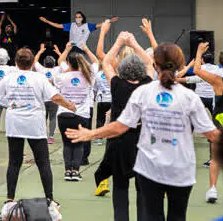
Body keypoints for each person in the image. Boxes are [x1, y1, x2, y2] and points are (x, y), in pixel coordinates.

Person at [67, 41, 219, 221]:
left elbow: (121, 126)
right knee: (177, 215)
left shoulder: (144, 92)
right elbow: (212, 134)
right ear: (180, 66)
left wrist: (91, 133)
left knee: (151, 213)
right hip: (180, 166)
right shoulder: (189, 97)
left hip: (149, 164)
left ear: (155, 65)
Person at [0, 48, 75, 206]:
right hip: (34, 124)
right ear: (32, 63)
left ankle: (9, 199)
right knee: (43, 162)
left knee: (14, 162)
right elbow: (55, 97)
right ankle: (50, 198)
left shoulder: (8, 79)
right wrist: (69, 105)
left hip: (14, 123)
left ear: (15, 62)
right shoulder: (39, 78)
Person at [93, 30, 154, 220]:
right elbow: (150, 63)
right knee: (143, 188)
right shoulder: (147, 84)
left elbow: (106, 62)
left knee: (120, 188)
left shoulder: (117, 84)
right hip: (143, 142)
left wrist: (119, 42)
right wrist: (134, 43)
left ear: (122, 69)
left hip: (119, 142)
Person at [54, 42, 98, 180]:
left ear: (69, 63)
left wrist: (66, 49)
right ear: (82, 62)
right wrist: (86, 48)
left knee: (67, 144)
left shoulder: (61, 77)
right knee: (78, 144)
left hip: (63, 114)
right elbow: (96, 61)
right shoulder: (88, 75)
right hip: (81, 114)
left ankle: (67, 171)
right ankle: (76, 172)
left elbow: (60, 60)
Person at [191, 42, 223, 204]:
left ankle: (212, 189)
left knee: (216, 156)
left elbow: (196, 70)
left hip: (220, 119)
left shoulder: (218, 80)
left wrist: (198, 53)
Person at [34, 43, 67, 144]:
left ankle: (43, 135)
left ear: (44, 63)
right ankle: (51, 137)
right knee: (52, 118)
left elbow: (35, 61)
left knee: (43, 117)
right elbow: (63, 62)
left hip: (43, 98)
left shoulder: (41, 70)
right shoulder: (57, 70)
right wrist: (59, 52)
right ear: (54, 63)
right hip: (54, 98)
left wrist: (40, 51)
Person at [40, 11, 118, 49]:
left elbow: (99, 25)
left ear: (82, 18)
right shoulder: (71, 25)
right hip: (71, 48)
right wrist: (47, 21)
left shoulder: (87, 26)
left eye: (79, 17)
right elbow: (58, 25)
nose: (78, 18)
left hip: (81, 49)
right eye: (76, 17)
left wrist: (109, 21)